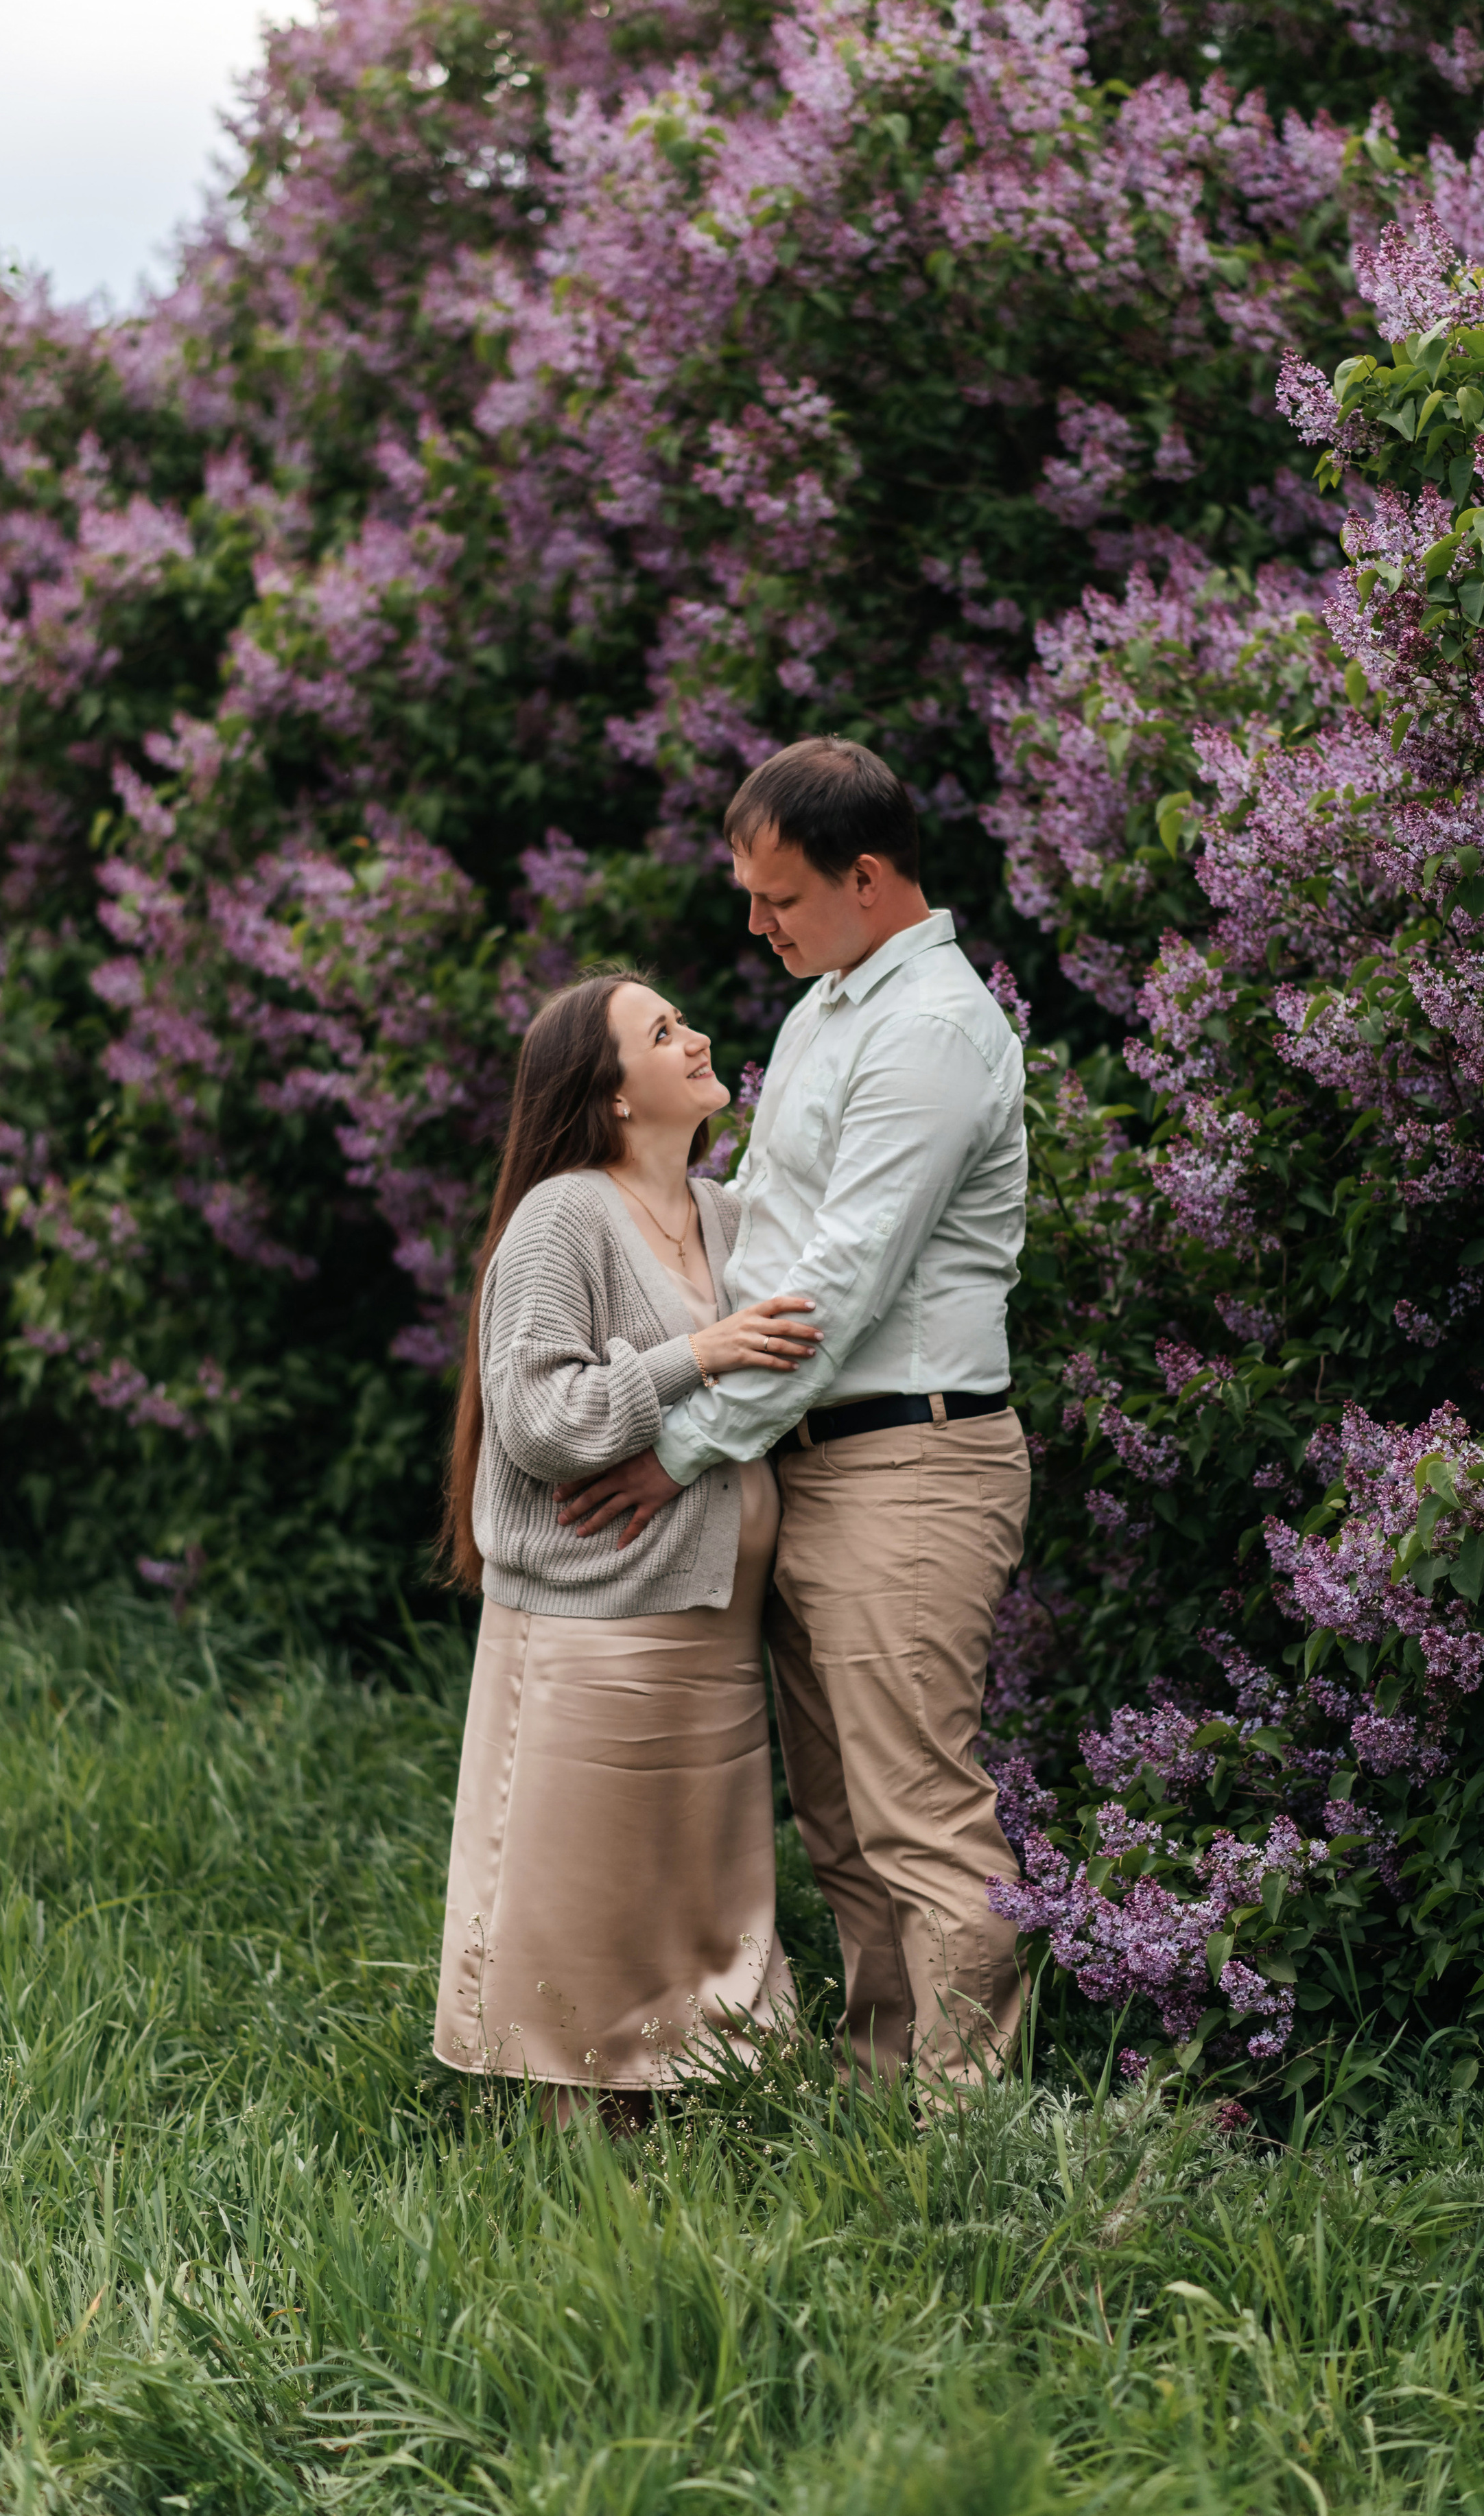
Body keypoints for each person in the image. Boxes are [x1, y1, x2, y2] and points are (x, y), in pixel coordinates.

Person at [556, 740, 1031, 2086]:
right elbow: (758, 1252)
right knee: (838, 1822)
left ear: (865, 877)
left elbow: (834, 1288)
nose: (752, 925)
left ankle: (970, 2148)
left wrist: (675, 1451)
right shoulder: (828, 1006)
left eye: (777, 897)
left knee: (919, 1819)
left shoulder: (929, 1030)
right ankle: (885, 2105)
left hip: (911, 1462)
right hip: (806, 1459)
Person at [432, 966, 823, 2122]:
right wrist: (693, 1358)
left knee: (684, 1889)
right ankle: (568, 2136)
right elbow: (543, 1419)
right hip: (594, 1625)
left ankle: (686, 2100)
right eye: (663, 1030)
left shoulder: (730, 1214)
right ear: (611, 1094)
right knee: (585, 1901)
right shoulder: (565, 1214)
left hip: (710, 1625)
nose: (697, 1036)